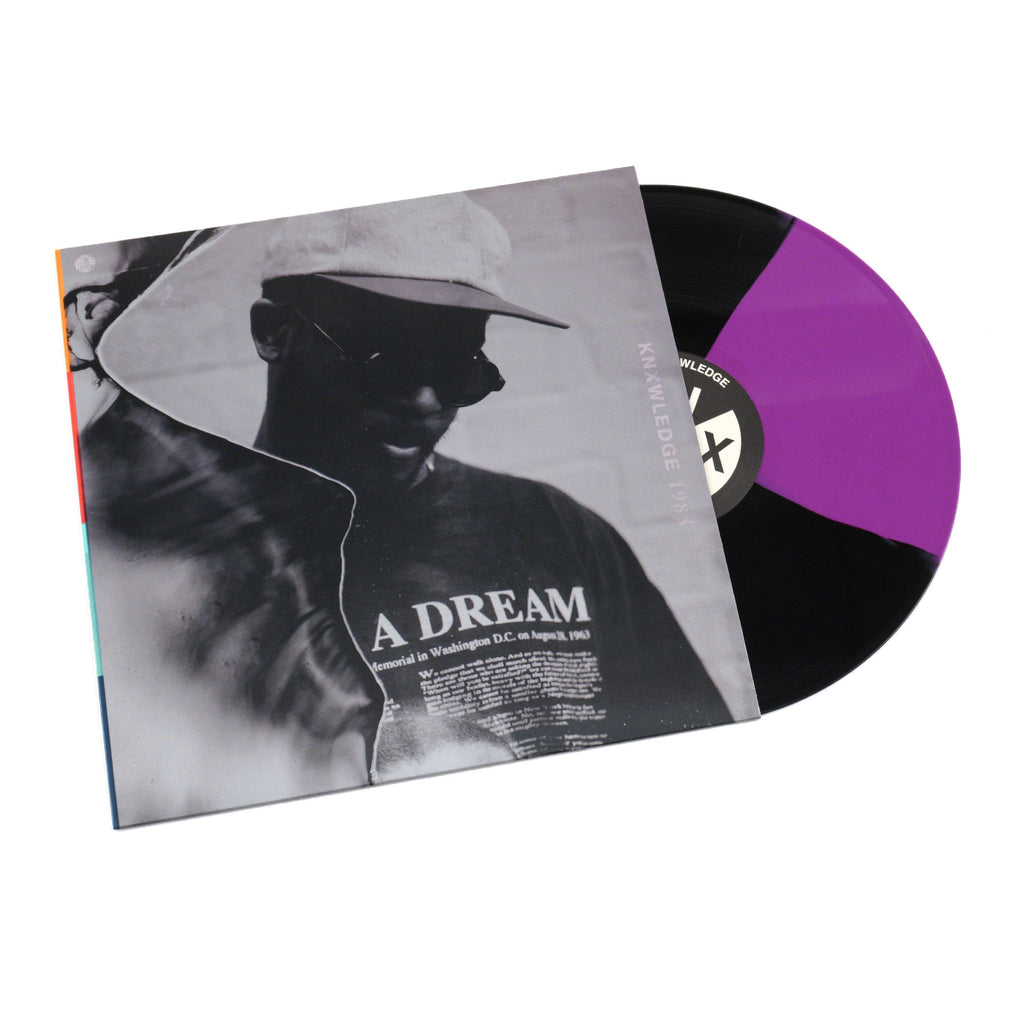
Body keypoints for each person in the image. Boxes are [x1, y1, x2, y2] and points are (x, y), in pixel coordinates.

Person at [75, 191, 732, 820]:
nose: (423, 401)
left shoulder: (559, 531)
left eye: (456, 365)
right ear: (273, 332)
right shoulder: (168, 580)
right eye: (383, 356)